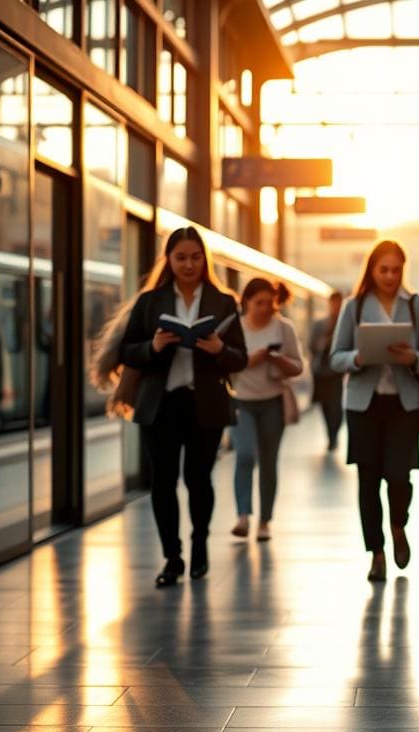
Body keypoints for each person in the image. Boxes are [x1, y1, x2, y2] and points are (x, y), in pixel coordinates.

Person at [120, 226, 247, 587]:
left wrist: (219, 350)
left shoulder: (224, 302)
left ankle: (200, 546)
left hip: (205, 404)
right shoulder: (150, 302)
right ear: (169, 260)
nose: (189, 264)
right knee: (162, 482)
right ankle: (172, 557)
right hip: (160, 404)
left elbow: (240, 358)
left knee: (198, 479)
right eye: (181, 257)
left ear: (204, 259)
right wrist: (154, 346)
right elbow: (127, 350)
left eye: (195, 257)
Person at [330, 240, 419, 582]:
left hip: (403, 405)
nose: (390, 276)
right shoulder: (354, 305)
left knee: (398, 476)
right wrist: (358, 358)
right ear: (372, 270)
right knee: (367, 482)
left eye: (396, 269)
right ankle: (376, 554)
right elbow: (335, 358)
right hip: (364, 406)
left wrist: (414, 359)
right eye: (383, 269)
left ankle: (397, 525)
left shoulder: (417, 306)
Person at [230, 277, 303, 542]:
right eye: (259, 303)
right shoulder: (235, 328)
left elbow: (298, 367)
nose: (265, 308)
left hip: (273, 402)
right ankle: (243, 515)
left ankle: (264, 521)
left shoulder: (284, 328)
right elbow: (225, 363)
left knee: (269, 462)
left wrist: (278, 359)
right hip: (242, 402)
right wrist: (254, 359)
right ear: (246, 301)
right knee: (245, 455)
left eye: (270, 304)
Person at [309, 291, 345, 452]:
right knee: (324, 405)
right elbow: (311, 346)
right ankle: (330, 436)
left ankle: (334, 434)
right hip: (321, 371)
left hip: (337, 372)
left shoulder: (344, 324)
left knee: (336, 406)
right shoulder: (320, 324)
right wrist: (321, 344)